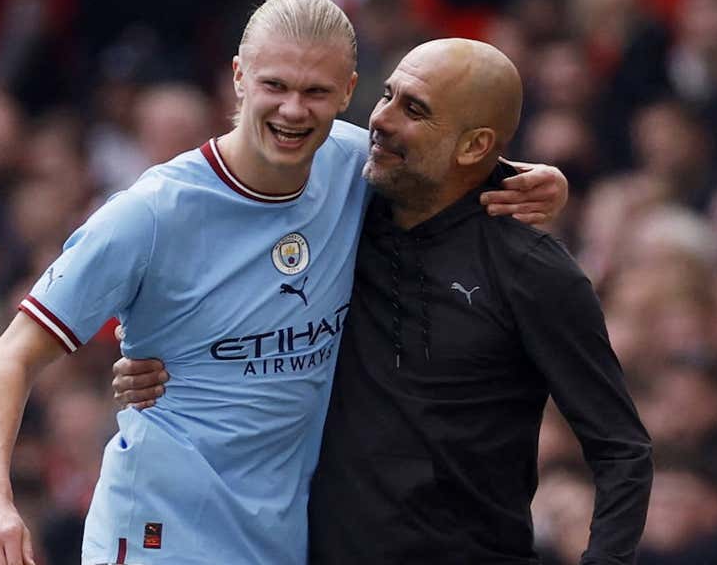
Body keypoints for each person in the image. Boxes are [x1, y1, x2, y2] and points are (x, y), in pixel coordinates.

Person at [0, 0, 566, 565]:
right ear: (238, 77)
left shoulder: (359, 168)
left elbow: (452, 163)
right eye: (275, 85)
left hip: (284, 534)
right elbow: (11, 357)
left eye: (316, 91)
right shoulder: (149, 214)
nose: (293, 109)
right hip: (160, 530)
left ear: (349, 91)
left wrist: (531, 178)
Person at [116, 38, 653, 563]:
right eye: (387, 95)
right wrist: (162, 353)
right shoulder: (338, 217)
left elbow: (621, 449)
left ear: (473, 146)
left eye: (413, 109)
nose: (382, 119)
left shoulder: (533, 271)